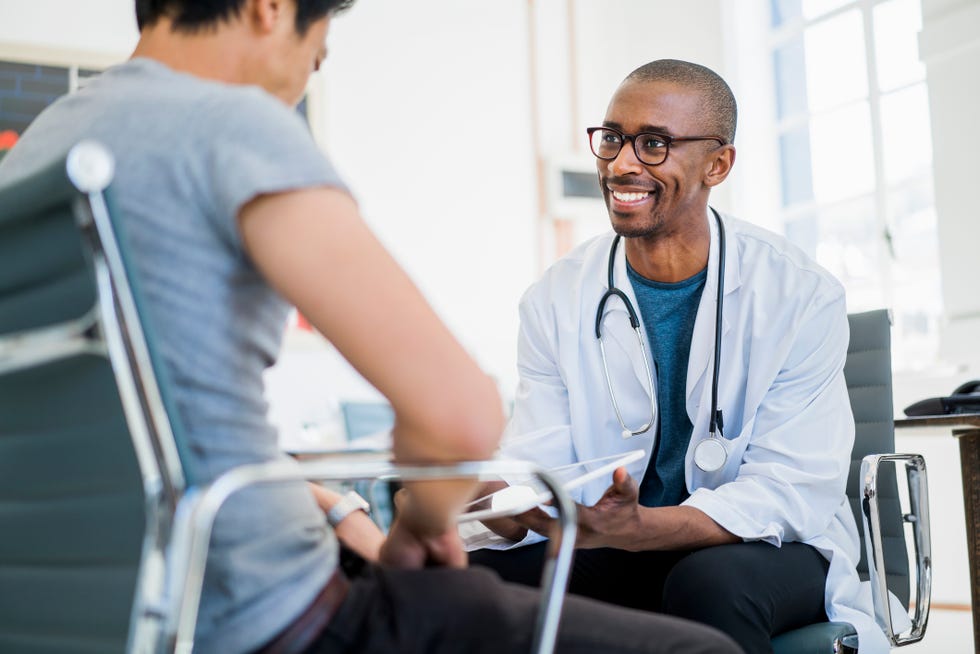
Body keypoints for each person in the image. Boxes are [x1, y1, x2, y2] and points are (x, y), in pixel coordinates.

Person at [0, 6, 743, 654]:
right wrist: (417, 528)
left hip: (97, 614)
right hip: (266, 613)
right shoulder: (229, 124)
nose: (300, 82)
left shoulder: (44, 147)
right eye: (313, 53)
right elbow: (457, 416)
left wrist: (341, 506)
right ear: (269, 9)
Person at [467, 59, 889, 654]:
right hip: (616, 541)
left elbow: (792, 488)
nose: (620, 164)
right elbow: (540, 461)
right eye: (612, 138)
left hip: (766, 548)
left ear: (718, 163)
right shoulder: (555, 298)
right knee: (468, 587)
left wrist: (646, 528)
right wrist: (482, 495)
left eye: (654, 144)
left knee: (707, 584)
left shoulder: (798, 293)